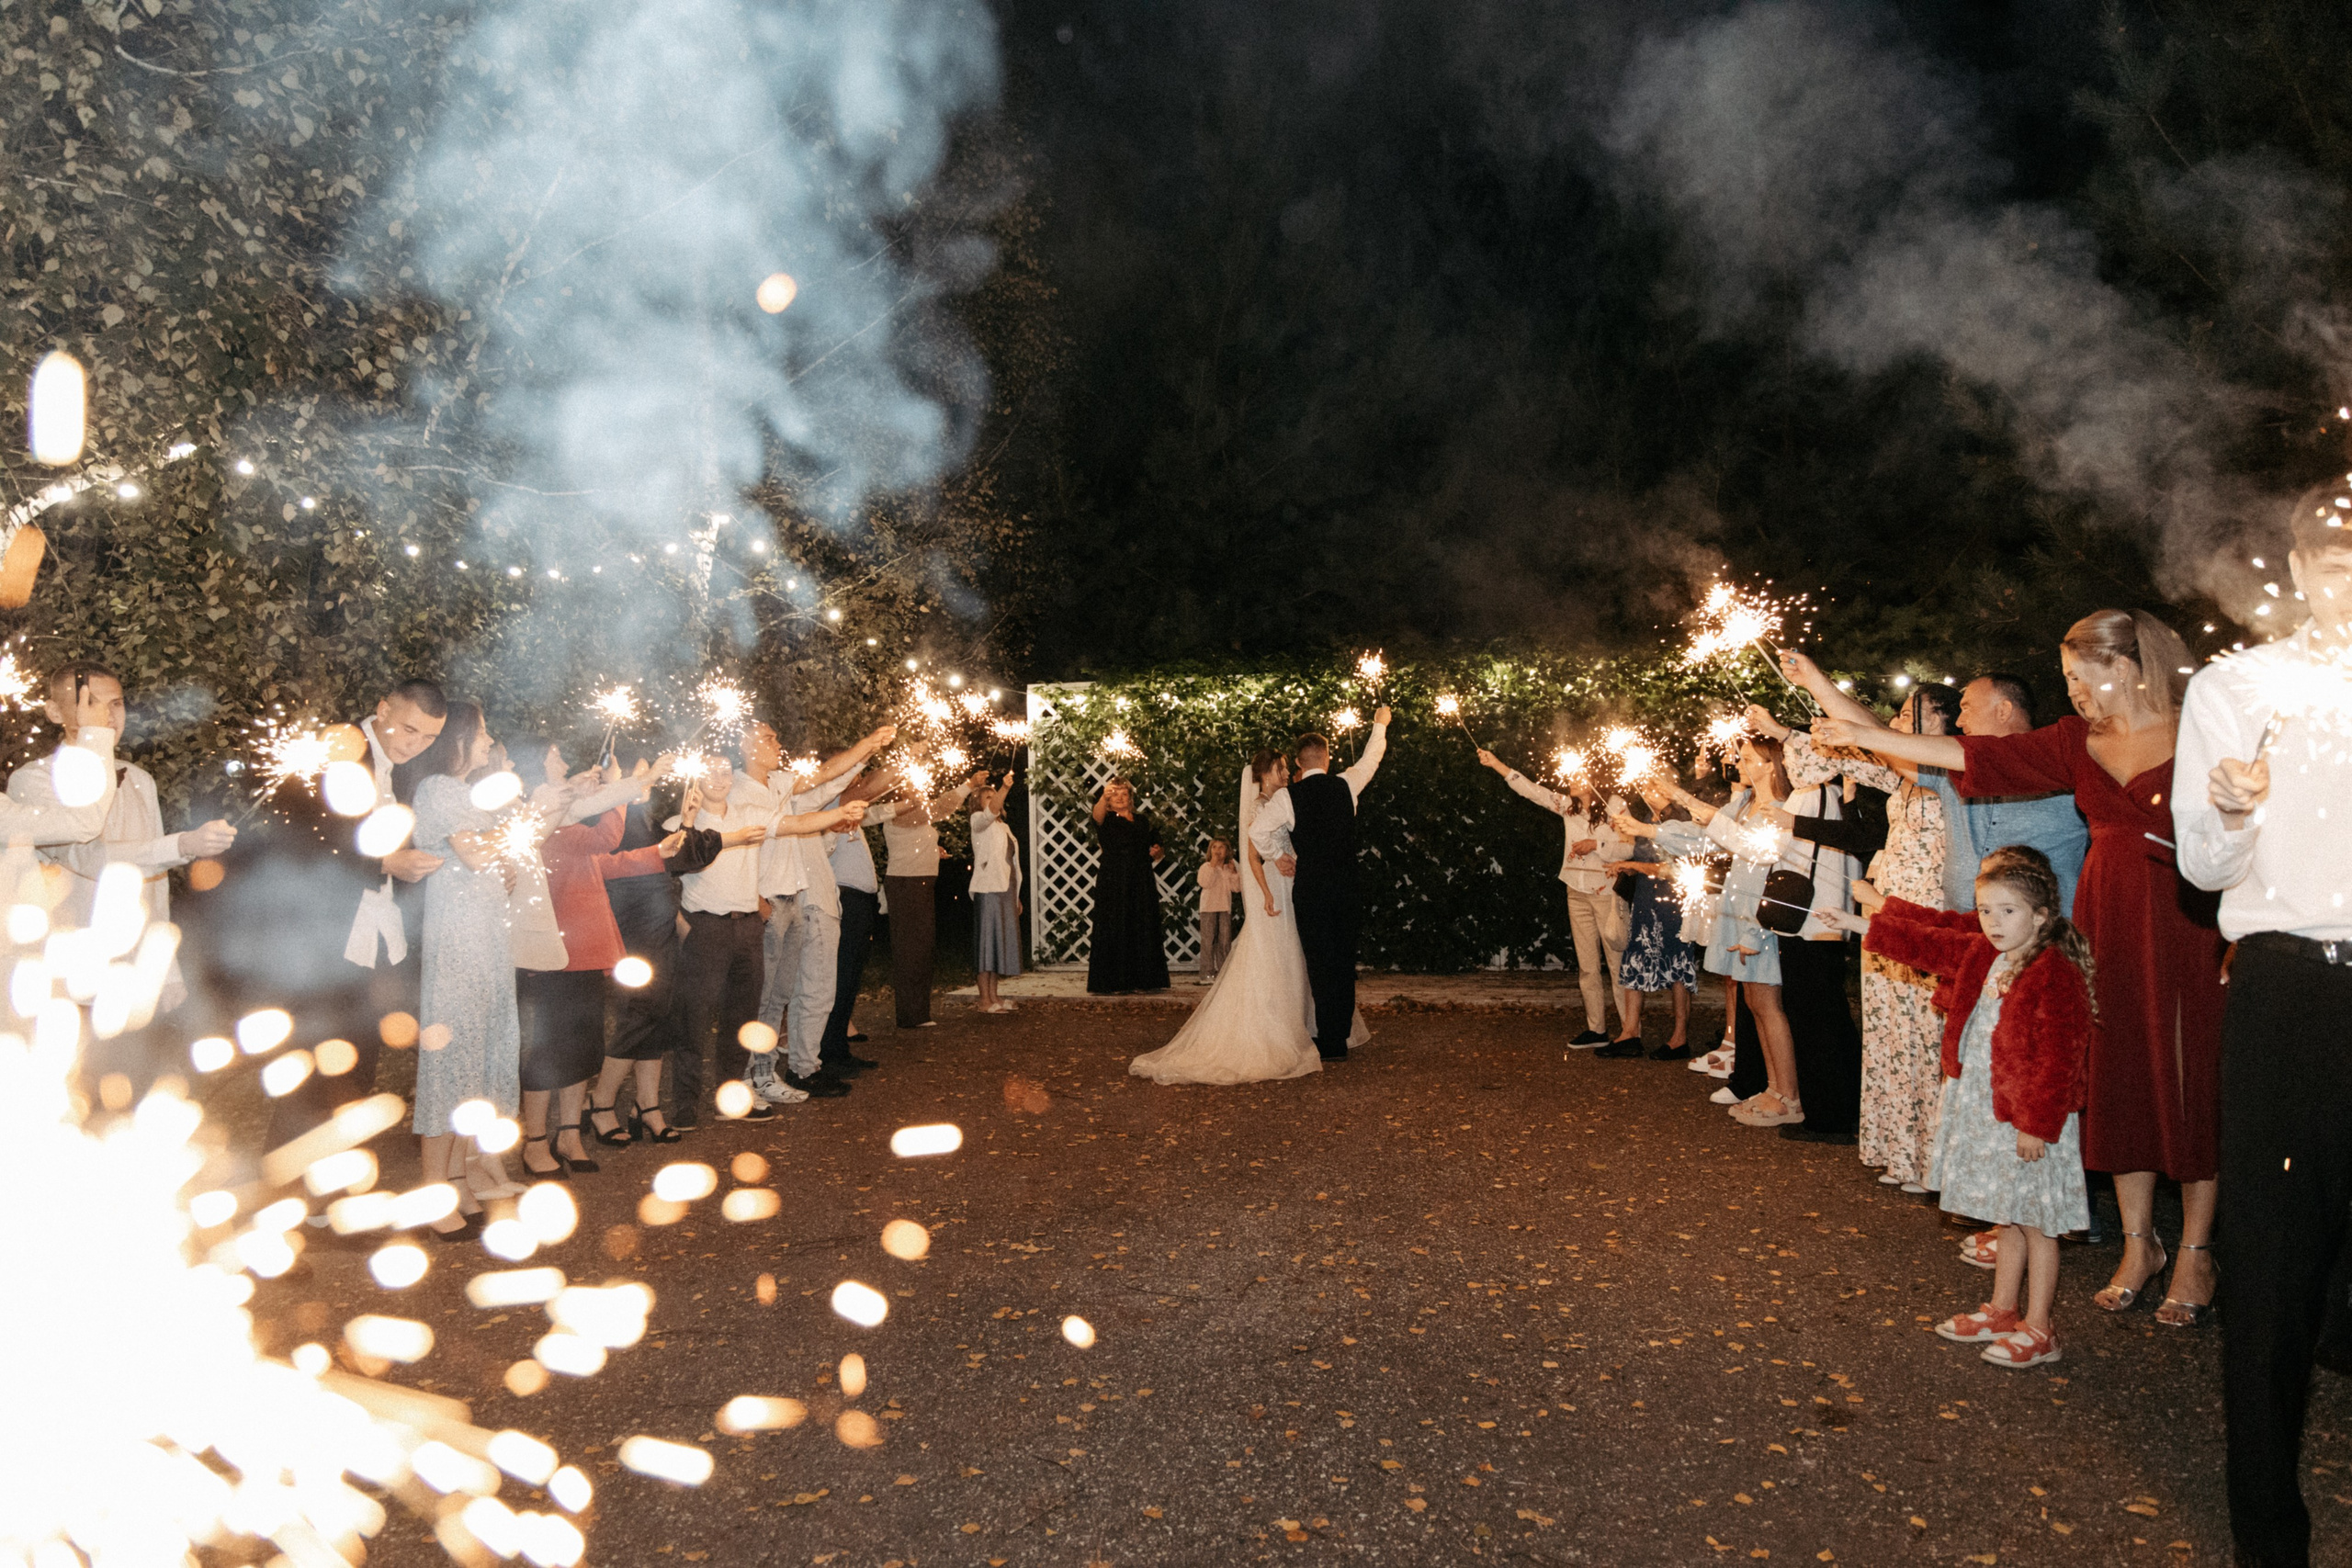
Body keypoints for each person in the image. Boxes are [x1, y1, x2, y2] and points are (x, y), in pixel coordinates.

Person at [1815, 609, 2225, 1326]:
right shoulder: (2074, 741)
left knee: (2189, 1079)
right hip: (2105, 921)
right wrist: (1864, 734)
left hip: (2187, 920)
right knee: (2118, 1077)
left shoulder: (2202, 729)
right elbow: (1972, 758)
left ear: (2125, 666)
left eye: (2078, 675)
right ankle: (2139, 1245)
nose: (2070, 691)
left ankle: (2195, 1249)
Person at [2172, 489, 2352, 1568]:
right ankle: (2266, 1531)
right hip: (2291, 988)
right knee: (2276, 1266)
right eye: (2335, 561)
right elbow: (2200, 869)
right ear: (2300, 567)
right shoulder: (2240, 687)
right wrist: (2232, 807)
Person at [1832, 846, 2095, 1370]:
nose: (1993, 923)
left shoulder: (2053, 972)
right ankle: (2002, 1310)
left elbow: (2061, 1059)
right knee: (2008, 1215)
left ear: (2042, 916)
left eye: (2008, 911)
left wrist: (2038, 1126)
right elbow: (1928, 944)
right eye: (1985, 911)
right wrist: (1855, 922)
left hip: (2029, 1122)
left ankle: (2040, 1327)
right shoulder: (1986, 954)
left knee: (2038, 1224)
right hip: (1989, 1111)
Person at [1761, 681, 1955, 1189]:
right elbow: (1849, 753)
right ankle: (1898, 1150)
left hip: (1925, 909)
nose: (1894, 722)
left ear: (1939, 721)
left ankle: (1934, 1161)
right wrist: (1788, 728)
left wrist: (1811, 695)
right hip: (1883, 905)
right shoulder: (1901, 780)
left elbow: (1866, 747)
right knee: (1889, 1026)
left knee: (1924, 1032)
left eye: (1908, 713)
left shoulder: (1948, 773)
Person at [6, 663, 234, 1083]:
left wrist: (165, 970)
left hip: (136, 976)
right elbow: (88, 857)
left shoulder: (139, 780)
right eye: (91, 704)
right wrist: (181, 845)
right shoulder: (31, 782)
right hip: (75, 980)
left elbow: (153, 887)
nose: (108, 716)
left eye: (116, 703)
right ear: (55, 713)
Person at [252, 678, 447, 1154]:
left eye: (428, 738)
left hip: (370, 935)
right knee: (317, 1067)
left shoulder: (395, 770)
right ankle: (291, 1195)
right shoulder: (337, 755)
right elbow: (307, 842)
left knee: (357, 1062)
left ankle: (331, 1191)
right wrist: (385, 862)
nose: (414, 744)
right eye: (408, 730)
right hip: (323, 939)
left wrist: (406, 864)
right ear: (382, 708)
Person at [1131, 750, 1366, 1084]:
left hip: (1292, 882)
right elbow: (1254, 854)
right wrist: (1271, 881)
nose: (1286, 773)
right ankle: (1274, 1029)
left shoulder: (1285, 799)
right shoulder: (1260, 805)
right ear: (1265, 772)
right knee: (1276, 952)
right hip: (1274, 883)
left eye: (1287, 767)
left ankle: (1301, 1024)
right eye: (1281, 768)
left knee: (1295, 954)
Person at [673, 741, 865, 1124]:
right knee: (695, 1020)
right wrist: (691, 821)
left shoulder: (747, 813)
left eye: (726, 771)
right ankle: (684, 1108)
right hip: (708, 928)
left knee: (747, 1012)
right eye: (711, 771)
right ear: (695, 779)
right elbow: (681, 858)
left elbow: (794, 823)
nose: (721, 778)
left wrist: (838, 813)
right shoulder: (678, 826)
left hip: (747, 924)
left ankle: (740, 1090)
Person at [506, 742, 673, 1177]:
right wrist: (626, 783)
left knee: (581, 1047)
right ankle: (536, 1140)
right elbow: (604, 839)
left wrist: (660, 854)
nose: (565, 763)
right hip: (552, 949)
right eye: (555, 757)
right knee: (546, 1050)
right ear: (535, 770)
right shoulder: (541, 820)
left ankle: (569, 1133)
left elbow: (604, 864)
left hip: (584, 948)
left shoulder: (564, 817)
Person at [1629, 738, 1803, 1126]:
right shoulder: (1742, 805)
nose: (1738, 763)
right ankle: (1773, 1089)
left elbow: (1759, 851)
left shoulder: (1780, 811)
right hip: (1737, 910)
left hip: (1761, 917)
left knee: (1769, 1005)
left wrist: (1676, 793)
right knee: (1755, 1004)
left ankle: (1789, 1096)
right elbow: (1705, 836)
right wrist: (1648, 831)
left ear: (1772, 765)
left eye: (1747, 758)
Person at [405, 701, 517, 1238]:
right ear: (457, 739)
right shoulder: (439, 790)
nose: (488, 743)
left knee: (476, 1060)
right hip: (456, 943)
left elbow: (500, 860)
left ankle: (456, 1177)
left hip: (486, 941)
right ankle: (433, 1192)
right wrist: (527, 819)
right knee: (450, 1063)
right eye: (481, 734)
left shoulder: (468, 793)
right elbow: (475, 856)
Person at [585, 775, 738, 1146]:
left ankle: (647, 1106)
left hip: (660, 925)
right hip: (630, 926)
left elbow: (675, 861)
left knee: (661, 1013)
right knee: (640, 1012)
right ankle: (601, 1102)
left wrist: (688, 820)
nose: (646, 782)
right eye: (639, 772)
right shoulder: (602, 816)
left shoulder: (644, 818)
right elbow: (611, 868)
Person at [748, 722, 893, 1100]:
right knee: (794, 993)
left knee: (813, 992)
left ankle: (802, 1066)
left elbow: (828, 785)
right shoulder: (767, 797)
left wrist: (865, 750)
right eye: (769, 738)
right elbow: (822, 792)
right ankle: (787, 1069)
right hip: (795, 902)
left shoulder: (784, 788)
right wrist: (865, 748)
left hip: (814, 901)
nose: (778, 744)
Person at [1250, 708, 1392, 1059]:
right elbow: (1372, 758)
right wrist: (1380, 725)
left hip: (1310, 887)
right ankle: (1336, 1037)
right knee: (1343, 959)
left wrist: (1276, 856)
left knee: (1319, 961)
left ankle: (1328, 1038)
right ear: (1328, 758)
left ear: (1299, 762)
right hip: (1346, 884)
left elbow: (1257, 832)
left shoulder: (1288, 796)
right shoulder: (1347, 783)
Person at [1477, 749, 1630, 1047]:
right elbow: (1532, 791)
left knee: (1617, 963)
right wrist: (1496, 763)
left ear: (1594, 776)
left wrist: (1596, 844)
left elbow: (1628, 848)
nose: (1571, 780)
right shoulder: (1568, 806)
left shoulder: (1615, 806)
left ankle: (1629, 1031)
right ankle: (1597, 1030)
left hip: (1606, 893)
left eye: (1578, 775)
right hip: (1576, 890)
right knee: (1587, 967)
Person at [876, 769, 983, 1024]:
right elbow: (940, 808)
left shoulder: (914, 816)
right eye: (915, 789)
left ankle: (917, 1012)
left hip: (918, 883)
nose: (921, 793)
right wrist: (968, 785)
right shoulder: (900, 812)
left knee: (922, 948)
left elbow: (913, 841)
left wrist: (933, 850)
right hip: (906, 885)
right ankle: (910, 1015)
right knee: (911, 949)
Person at [1600, 782, 1698, 1059]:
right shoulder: (1646, 818)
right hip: (1644, 898)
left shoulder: (1680, 819)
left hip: (1673, 901)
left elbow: (1677, 868)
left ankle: (1679, 1038)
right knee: (1636, 958)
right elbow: (1640, 855)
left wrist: (1634, 866)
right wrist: (1628, 869)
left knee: (1677, 964)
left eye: (1653, 786)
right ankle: (1630, 1033)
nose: (1645, 792)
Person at [818, 767, 902, 1066]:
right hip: (845, 900)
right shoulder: (829, 805)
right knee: (839, 978)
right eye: (852, 774)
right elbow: (866, 793)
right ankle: (828, 1053)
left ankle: (839, 1049)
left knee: (851, 978)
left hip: (860, 901)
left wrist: (905, 794)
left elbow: (875, 808)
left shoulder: (847, 810)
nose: (857, 781)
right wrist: (901, 762)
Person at [1086, 774, 1171, 995]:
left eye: (1125, 795)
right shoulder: (1106, 820)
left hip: (1141, 880)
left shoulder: (1142, 820)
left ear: (1131, 798)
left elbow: (1156, 844)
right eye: (1116, 796)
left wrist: (1156, 851)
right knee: (1116, 925)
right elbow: (1096, 815)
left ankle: (1143, 981)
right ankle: (1114, 982)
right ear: (1109, 801)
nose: (1121, 799)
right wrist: (1103, 798)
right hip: (1114, 880)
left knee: (1141, 925)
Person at [969, 770, 1023, 1014]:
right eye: (988, 797)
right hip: (988, 889)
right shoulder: (979, 822)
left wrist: (1017, 896)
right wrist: (1004, 788)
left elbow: (1012, 864)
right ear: (979, 805)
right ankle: (984, 1001)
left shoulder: (1005, 827)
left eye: (996, 796)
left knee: (998, 943)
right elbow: (990, 813)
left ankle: (994, 997)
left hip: (1005, 890)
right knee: (986, 945)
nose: (994, 801)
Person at [1195, 838, 1241, 984]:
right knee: (1208, 941)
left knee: (1224, 941)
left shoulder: (1229, 868)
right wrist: (1213, 865)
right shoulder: (1206, 867)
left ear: (1227, 851)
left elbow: (1236, 888)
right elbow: (1205, 883)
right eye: (1214, 847)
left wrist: (1235, 874)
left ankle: (1224, 972)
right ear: (1210, 851)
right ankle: (1207, 974)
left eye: (1221, 847)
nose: (1218, 850)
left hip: (1224, 908)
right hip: (1208, 908)